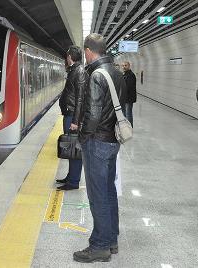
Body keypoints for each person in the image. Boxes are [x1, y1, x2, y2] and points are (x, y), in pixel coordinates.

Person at [70, 33, 126, 263]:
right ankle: (111, 239)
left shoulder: (95, 75)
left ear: (88, 50)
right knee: (109, 191)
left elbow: (92, 115)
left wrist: (82, 138)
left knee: (98, 195)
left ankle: (100, 246)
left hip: (97, 142)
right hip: (112, 140)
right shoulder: (117, 73)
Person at [57, 46, 85, 190]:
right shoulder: (75, 69)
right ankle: (70, 176)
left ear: (70, 56)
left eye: (67, 56)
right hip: (69, 114)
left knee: (74, 148)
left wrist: (75, 121)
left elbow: (80, 98)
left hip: (72, 117)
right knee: (70, 147)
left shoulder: (79, 71)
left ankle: (73, 181)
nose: (66, 58)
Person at [121, 61, 136, 126]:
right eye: (123, 65)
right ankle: (126, 127)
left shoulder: (131, 75)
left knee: (128, 113)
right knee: (124, 113)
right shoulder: (124, 74)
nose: (124, 67)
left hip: (129, 98)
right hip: (125, 98)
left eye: (125, 65)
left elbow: (128, 87)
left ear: (129, 66)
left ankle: (130, 127)